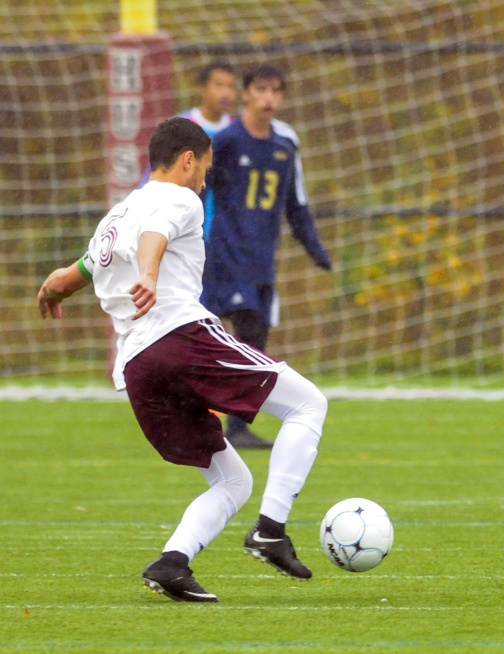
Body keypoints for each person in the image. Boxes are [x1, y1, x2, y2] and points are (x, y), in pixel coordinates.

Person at [37, 117, 328, 603]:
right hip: (180, 337)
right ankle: (271, 531)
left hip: (138, 371)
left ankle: (172, 564)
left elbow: (75, 273)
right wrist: (150, 275)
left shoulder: (116, 216)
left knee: (233, 480)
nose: (204, 180)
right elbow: (157, 235)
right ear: (188, 159)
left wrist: (50, 288)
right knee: (308, 405)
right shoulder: (178, 197)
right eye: (205, 169)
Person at [202, 63, 332, 450]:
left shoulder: (283, 146)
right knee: (224, 333)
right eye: (261, 90)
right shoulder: (226, 141)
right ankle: (207, 417)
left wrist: (315, 249)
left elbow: (295, 205)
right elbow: (195, 187)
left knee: (254, 339)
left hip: (261, 259)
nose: (268, 98)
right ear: (246, 94)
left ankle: (236, 426)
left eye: (275, 91)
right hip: (224, 255)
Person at [140, 60, 238, 239]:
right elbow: (155, 176)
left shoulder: (238, 131)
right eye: (219, 85)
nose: (226, 92)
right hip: (183, 232)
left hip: (227, 238)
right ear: (202, 88)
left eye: (231, 86)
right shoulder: (181, 127)